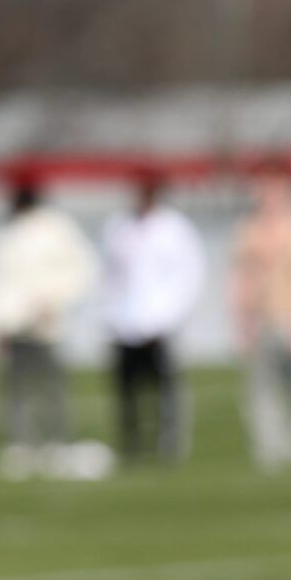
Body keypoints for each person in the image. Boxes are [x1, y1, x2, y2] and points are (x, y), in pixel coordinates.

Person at [0, 179, 97, 478]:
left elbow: (80, 269)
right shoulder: (4, 234)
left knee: (50, 386)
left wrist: (54, 301)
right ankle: (22, 445)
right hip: (15, 325)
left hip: (47, 323)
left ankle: (55, 443)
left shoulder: (54, 229)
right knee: (17, 387)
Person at [230, 168, 291, 471]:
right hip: (263, 317)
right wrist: (241, 318)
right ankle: (270, 449)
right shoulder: (248, 229)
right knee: (262, 387)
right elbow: (240, 277)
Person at [102, 176, 204, 464]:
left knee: (167, 391)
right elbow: (110, 275)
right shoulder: (119, 227)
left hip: (161, 325)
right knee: (128, 392)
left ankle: (169, 446)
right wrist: (112, 315)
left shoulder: (174, 228)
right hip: (126, 324)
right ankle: (131, 445)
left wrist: (169, 317)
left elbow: (189, 276)